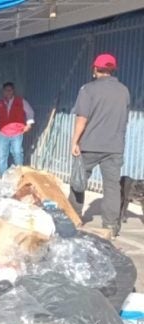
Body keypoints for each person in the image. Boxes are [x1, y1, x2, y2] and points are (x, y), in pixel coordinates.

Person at [69, 53, 130, 237]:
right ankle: (110, 226)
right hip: (114, 147)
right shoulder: (124, 90)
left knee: (78, 181)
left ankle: (73, 217)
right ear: (112, 70)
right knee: (112, 187)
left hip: (90, 145)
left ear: (95, 69)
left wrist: (75, 141)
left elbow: (82, 119)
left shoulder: (88, 89)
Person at [0, 82, 35, 176]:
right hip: (3, 133)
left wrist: (29, 125)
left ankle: (20, 175)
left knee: (17, 153)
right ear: (3, 92)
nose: (8, 92)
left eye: (10, 90)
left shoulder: (20, 101)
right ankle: (2, 177)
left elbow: (30, 112)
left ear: (13, 91)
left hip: (17, 132)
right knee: (2, 156)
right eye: (6, 90)